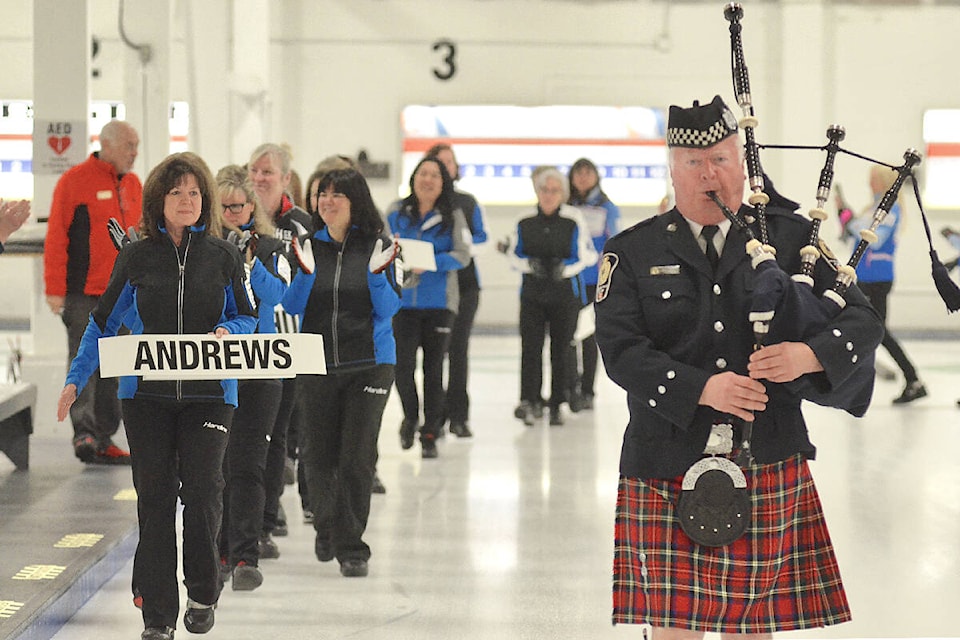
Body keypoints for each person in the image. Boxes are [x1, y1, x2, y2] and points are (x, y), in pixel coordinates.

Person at [594, 96, 884, 636]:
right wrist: (703, 389)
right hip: (664, 457)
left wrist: (809, 355)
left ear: (742, 166)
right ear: (673, 171)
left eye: (721, 161)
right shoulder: (630, 251)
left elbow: (864, 322)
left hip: (768, 450)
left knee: (752, 626)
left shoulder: (790, 240)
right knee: (672, 627)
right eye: (694, 164)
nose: (709, 175)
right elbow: (620, 351)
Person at [56, 152, 257, 640]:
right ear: (158, 201)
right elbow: (101, 324)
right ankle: (158, 615)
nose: (186, 201)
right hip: (145, 397)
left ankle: (204, 591)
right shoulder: (137, 256)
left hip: (211, 396)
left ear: (204, 200)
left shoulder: (223, 255)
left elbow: (248, 316)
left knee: (205, 493)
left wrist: (229, 330)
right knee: (155, 499)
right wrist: (75, 379)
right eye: (176, 192)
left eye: (193, 193)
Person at [282, 168, 400, 577]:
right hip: (316, 362)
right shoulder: (305, 245)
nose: (327, 202)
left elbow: (388, 309)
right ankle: (327, 527)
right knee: (317, 454)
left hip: (370, 363)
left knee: (356, 456)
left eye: (338, 195)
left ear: (356, 202)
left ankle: (352, 547)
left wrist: (376, 276)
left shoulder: (379, 246)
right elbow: (293, 305)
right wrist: (305, 273)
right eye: (323, 195)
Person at [44, 119, 142, 465]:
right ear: (110, 145)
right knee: (85, 364)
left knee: (117, 366)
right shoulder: (74, 182)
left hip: (124, 296)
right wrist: (55, 291)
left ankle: (104, 436)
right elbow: (56, 237)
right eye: (130, 145)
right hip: (83, 294)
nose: (135, 153)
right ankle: (83, 432)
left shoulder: (133, 185)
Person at [214, 165, 290, 591]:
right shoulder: (201, 247)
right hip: (216, 364)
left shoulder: (272, 246)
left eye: (238, 207)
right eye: (223, 207)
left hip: (260, 365)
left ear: (251, 208)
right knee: (215, 466)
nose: (231, 214)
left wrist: (249, 261)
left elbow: (279, 296)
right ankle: (218, 550)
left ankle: (245, 553)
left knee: (248, 463)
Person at [247, 143, 314, 555]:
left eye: (268, 171)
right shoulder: (233, 217)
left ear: (287, 178)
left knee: (278, 435)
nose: (259, 177)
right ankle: (253, 515)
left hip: (287, 343)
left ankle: (266, 519)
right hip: (239, 342)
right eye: (253, 169)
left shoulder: (302, 224)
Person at [386, 157, 471, 458]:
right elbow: (383, 249)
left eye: (435, 175)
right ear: (413, 178)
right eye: (423, 173)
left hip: (439, 304)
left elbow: (463, 255)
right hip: (402, 305)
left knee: (434, 370)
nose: (428, 180)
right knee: (402, 367)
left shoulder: (452, 215)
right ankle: (410, 416)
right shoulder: (396, 212)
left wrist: (430, 262)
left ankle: (431, 432)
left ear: (443, 182)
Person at [508, 167, 597, 426]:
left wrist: (565, 268)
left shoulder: (573, 219)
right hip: (533, 293)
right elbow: (514, 254)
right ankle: (530, 400)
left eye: (554, 191)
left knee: (561, 349)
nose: (548, 195)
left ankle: (558, 401)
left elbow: (587, 254)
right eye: (544, 190)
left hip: (563, 294)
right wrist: (529, 265)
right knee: (531, 348)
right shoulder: (524, 220)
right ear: (537, 191)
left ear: (562, 193)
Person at [840, 164, 927, 404]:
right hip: (864, 277)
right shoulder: (873, 208)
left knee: (878, 332)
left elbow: (874, 239)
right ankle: (909, 379)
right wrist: (846, 219)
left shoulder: (891, 208)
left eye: (873, 179)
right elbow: (852, 235)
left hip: (877, 278)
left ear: (884, 182)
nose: (870, 184)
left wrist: (853, 223)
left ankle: (913, 379)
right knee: (869, 330)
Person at [424, 143, 488, 438]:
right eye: (437, 162)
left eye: (448, 162)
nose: (443, 167)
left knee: (458, 350)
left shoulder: (466, 202)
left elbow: (482, 238)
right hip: (431, 290)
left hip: (464, 285)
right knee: (434, 356)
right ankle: (433, 417)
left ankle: (459, 416)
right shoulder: (417, 203)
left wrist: (459, 249)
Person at [566, 158, 620, 411]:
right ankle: (569, 386)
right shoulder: (566, 206)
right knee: (566, 336)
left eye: (588, 172)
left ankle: (587, 389)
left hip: (594, 281)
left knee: (588, 337)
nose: (583, 178)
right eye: (579, 173)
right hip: (569, 279)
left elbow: (614, 242)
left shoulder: (606, 207)